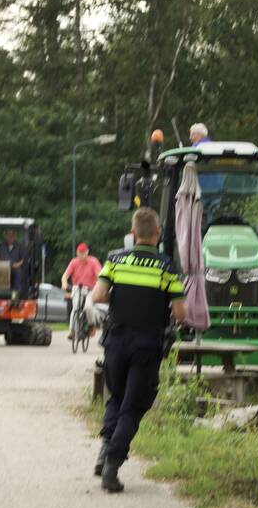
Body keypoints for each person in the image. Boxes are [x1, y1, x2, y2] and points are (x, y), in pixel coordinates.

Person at [91, 208, 186, 493]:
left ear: (133, 235)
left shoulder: (115, 260)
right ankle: (112, 464)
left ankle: (104, 450)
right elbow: (180, 314)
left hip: (116, 341)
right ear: (157, 233)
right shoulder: (167, 267)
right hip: (146, 345)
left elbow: (98, 295)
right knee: (134, 405)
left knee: (116, 398)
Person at [60, 242, 103, 340]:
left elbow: (99, 275)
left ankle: (92, 325)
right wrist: (64, 283)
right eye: (79, 253)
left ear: (87, 252)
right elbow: (65, 275)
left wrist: (99, 283)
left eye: (83, 253)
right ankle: (72, 331)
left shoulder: (93, 261)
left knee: (88, 307)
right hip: (77, 288)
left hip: (90, 289)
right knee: (75, 308)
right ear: (77, 253)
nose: (81, 255)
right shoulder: (74, 262)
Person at [0, 229, 25, 298]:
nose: (10, 237)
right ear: (5, 236)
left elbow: (23, 259)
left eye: (12, 235)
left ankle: (14, 297)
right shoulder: (0, 245)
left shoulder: (19, 246)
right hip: (3, 268)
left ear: (14, 236)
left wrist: (16, 265)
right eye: (8, 235)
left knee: (18, 274)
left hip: (15, 268)